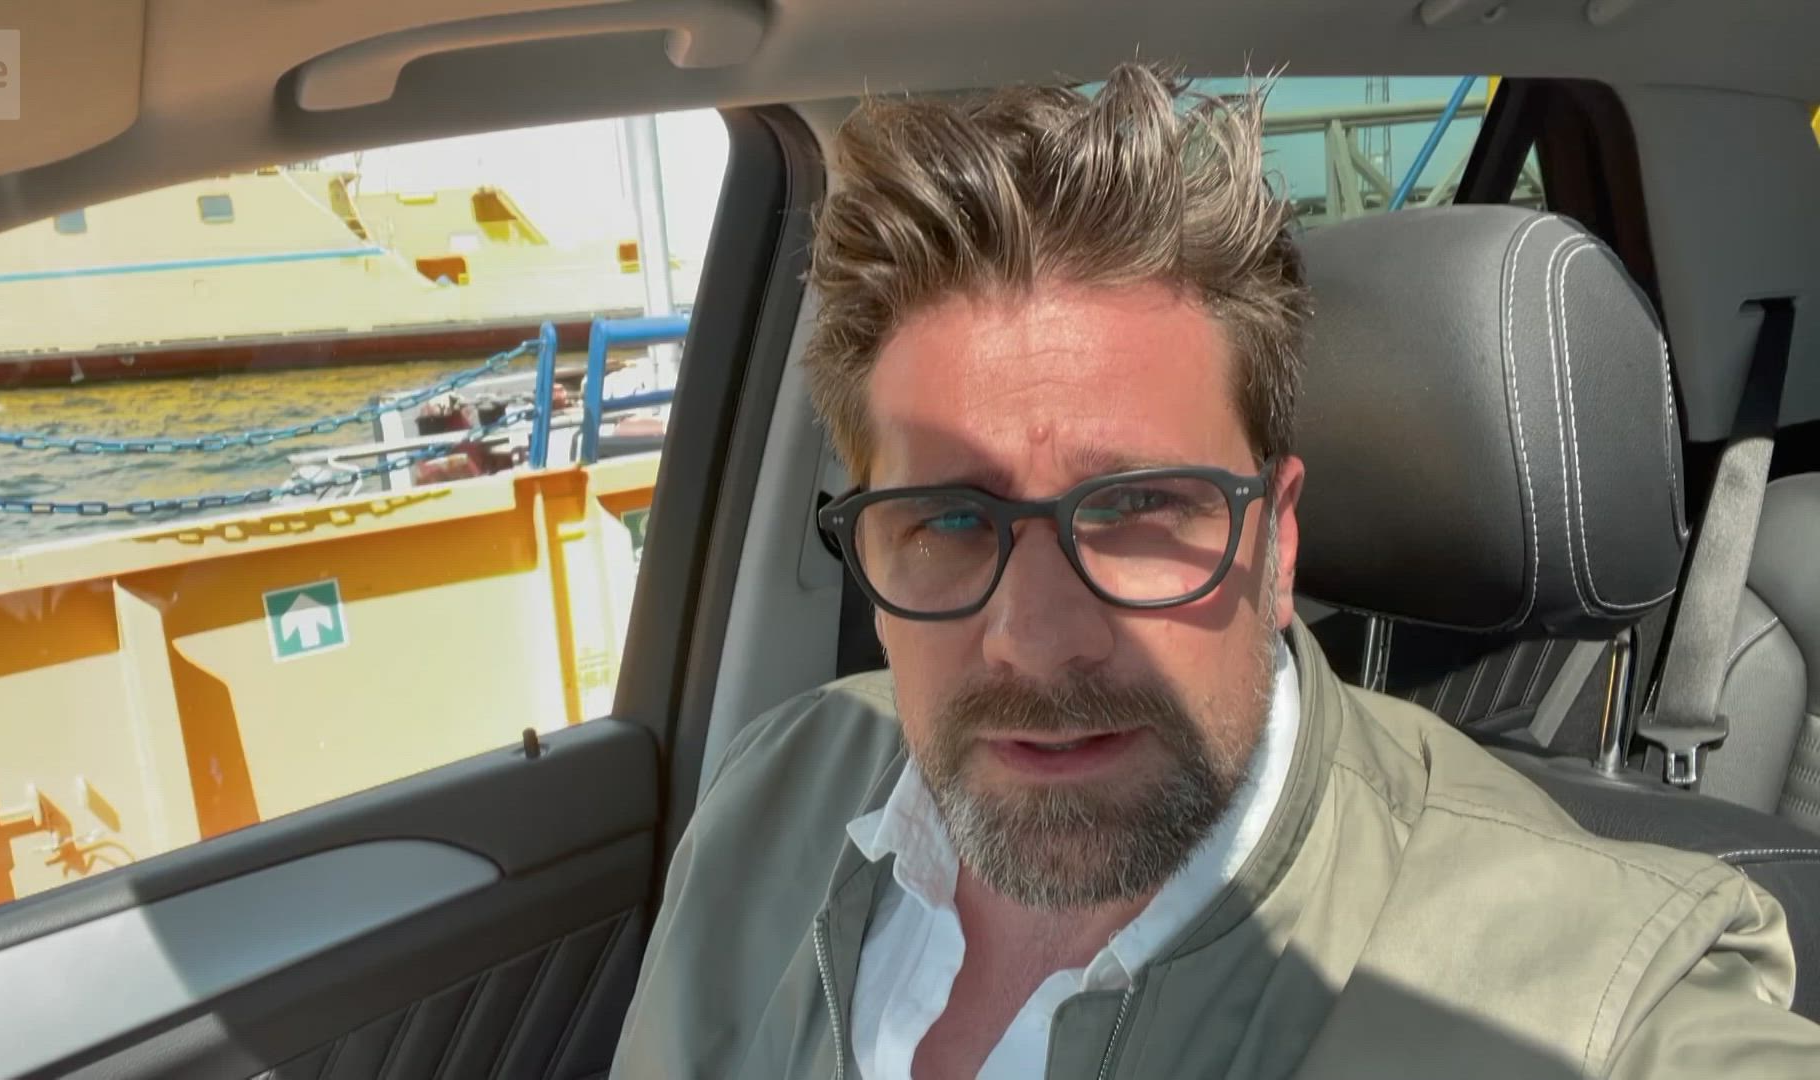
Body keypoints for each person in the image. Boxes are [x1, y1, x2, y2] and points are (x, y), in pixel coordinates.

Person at [611, 63, 1820, 1078]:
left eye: (1138, 506)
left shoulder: (1589, 1002)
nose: (1038, 639)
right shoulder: (776, 789)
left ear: (1278, 540)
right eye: (950, 520)